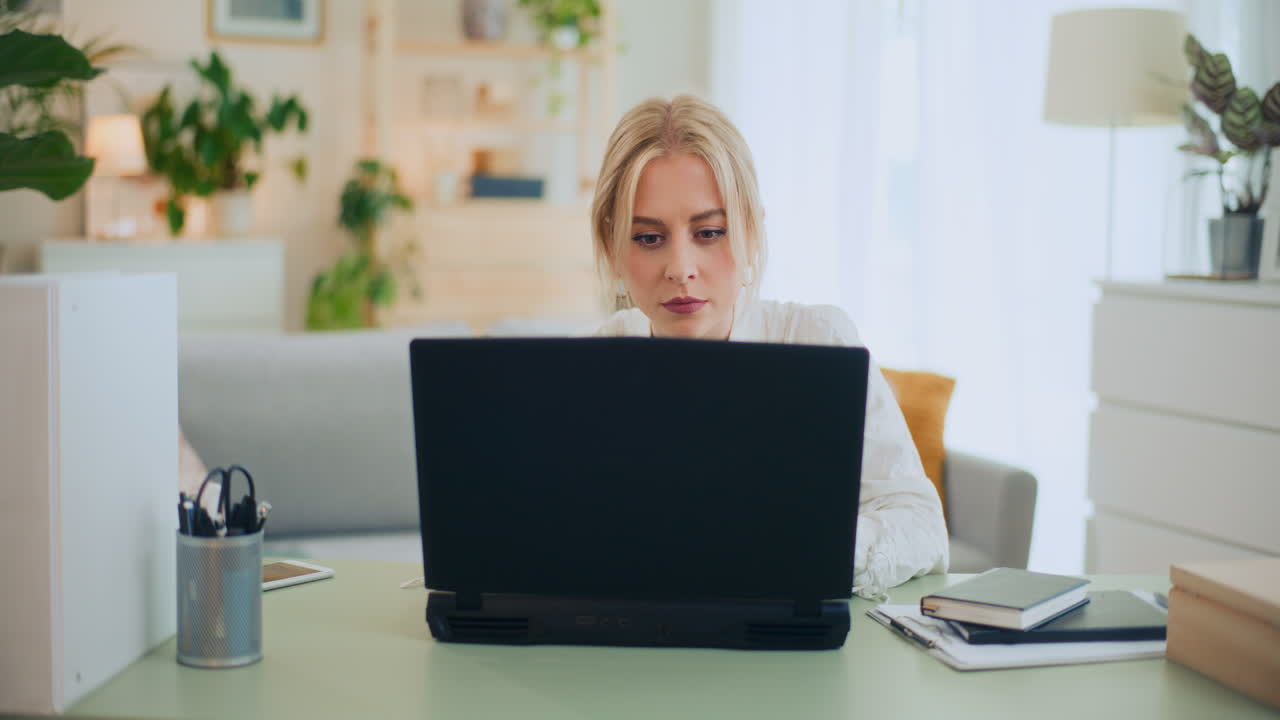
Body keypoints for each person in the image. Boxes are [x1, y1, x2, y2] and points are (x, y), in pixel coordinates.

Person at [588, 95, 949, 599]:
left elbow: (921, 525)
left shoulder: (819, 342)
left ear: (752, 232)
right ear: (612, 247)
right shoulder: (604, 356)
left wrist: (801, 551)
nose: (681, 268)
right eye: (649, 238)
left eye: (709, 232)